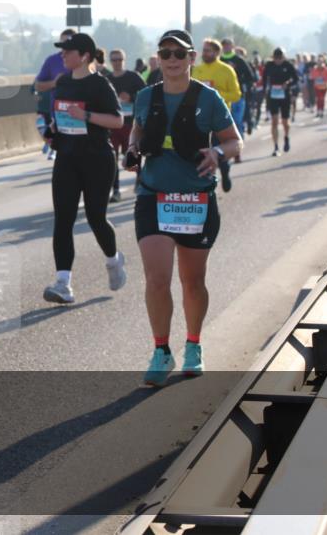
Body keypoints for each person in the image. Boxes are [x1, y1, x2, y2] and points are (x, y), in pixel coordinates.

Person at [124, 29, 242, 387]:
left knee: (192, 281)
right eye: (165, 53)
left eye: (179, 53)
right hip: (153, 196)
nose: (172, 59)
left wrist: (217, 153)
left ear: (191, 58)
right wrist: (132, 150)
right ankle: (161, 351)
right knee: (157, 279)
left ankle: (193, 345)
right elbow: (137, 132)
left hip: (194, 199)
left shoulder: (208, 99)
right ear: (158, 59)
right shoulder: (146, 96)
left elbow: (234, 141)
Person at [42, 33, 127, 304]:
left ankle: (113, 260)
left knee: (95, 217)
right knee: (63, 220)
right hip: (66, 158)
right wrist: (53, 129)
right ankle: (63, 283)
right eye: (62, 51)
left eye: (68, 51)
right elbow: (61, 115)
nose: (63, 55)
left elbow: (117, 121)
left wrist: (87, 116)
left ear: (85, 56)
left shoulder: (100, 85)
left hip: (97, 159)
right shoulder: (64, 81)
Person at [191, 38, 241, 192]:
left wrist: (216, 94)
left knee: (220, 150)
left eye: (208, 50)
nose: (204, 53)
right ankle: (204, 184)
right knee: (201, 152)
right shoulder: (197, 70)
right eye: (203, 50)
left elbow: (236, 94)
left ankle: (225, 173)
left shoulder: (226, 70)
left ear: (216, 52)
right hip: (199, 118)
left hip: (220, 117)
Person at [105, 48, 146, 202]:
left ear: (124, 60)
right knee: (112, 158)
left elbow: (146, 95)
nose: (116, 62)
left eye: (119, 59)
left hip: (131, 123)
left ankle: (139, 180)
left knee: (133, 154)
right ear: (110, 61)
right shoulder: (106, 79)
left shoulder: (134, 77)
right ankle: (115, 190)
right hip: (113, 125)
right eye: (114, 60)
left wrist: (131, 97)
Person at [34, 29, 76, 161]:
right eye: (62, 43)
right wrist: (54, 83)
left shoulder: (84, 62)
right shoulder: (52, 61)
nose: (65, 48)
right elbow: (38, 85)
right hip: (59, 113)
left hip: (81, 114)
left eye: (69, 43)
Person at [262, 47, 299, 156]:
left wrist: (288, 84)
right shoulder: (269, 65)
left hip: (285, 95)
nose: (278, 60)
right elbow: (264, 78)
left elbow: (296, 79)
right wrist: (265, 89)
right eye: (276, 58)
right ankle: (276, 147)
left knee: (285, 122)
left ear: (283, 57)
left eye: (280, 58)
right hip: (273, 95)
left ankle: (286, 137)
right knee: (274, 121)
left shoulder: (288, 65)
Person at [220, 38, 255, 141]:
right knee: (225, 123)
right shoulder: (219, 60)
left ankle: (238, 145)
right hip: (223, 97)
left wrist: (243, 85)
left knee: (237, 121)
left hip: (238, 96)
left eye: (228, 45)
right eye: (224, 45)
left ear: (232, 46)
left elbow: (250, 77)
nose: (226, 47)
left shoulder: (239, 60)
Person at [309, 54, 327, 119]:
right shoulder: (314, 69)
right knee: (318, 99)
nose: (319, 63)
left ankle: (321, 111)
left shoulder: (326, 69)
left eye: (321, 61)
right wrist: (316, 77)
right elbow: (311, 77)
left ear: (323, 62)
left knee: (322, 99)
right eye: (318, 61)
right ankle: (318, 111)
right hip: (317, 87)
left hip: (324, 87)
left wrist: (324, 80)